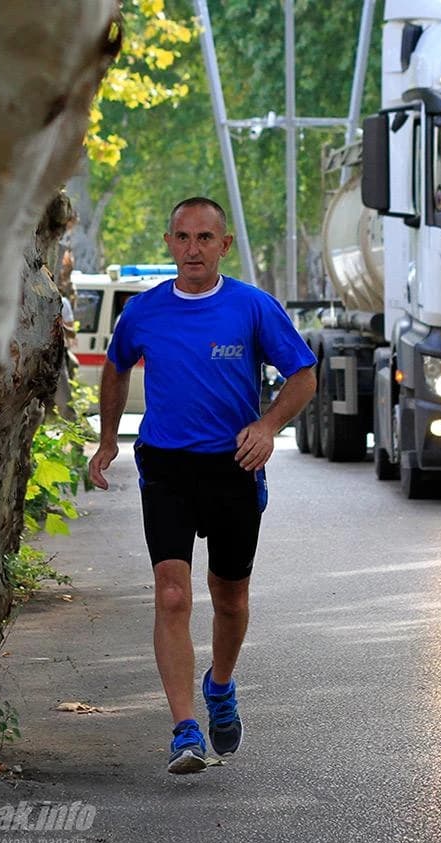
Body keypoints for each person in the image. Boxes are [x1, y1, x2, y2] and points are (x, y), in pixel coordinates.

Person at [89, 197, 316, 774]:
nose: (193, 249)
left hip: (233, 467)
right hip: (166, 466)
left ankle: (220, 685)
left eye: (205, 238)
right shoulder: (143, 312)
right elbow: (115, 367)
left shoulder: (251, 308)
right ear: (169, 242)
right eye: (183, 238)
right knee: (171, 593)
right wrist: (109, 439)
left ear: (224, 245)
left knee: (229, 598)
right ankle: (184, 729)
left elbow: (304, 374)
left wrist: (267, 426)